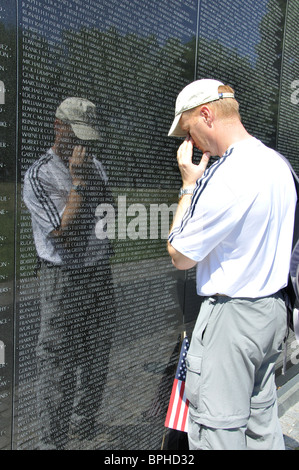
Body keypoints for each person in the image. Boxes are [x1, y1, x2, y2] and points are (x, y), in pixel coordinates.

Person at [167, 79, 297, 450]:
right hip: (271, 313)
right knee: (261, 424)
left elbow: (179, 254)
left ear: (206, 114)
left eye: (189, 129)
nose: (189, 143)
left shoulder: (227, 176)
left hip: (232, 321)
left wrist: (188, 186)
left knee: (217, 431)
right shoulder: (278, 165)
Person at [23, 97, 115, 449]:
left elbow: (107, 218)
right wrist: (78, 183)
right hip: (64, 277)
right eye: (77, 135)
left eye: (88, 140)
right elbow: (63, 234)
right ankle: (53, 440)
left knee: (97, 352)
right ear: (58, 125)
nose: (83, 146)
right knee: (58, 359)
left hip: (98, 273)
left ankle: (83, 422)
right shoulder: (40, 174)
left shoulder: (97, 165)